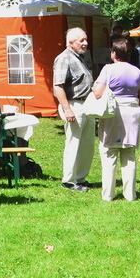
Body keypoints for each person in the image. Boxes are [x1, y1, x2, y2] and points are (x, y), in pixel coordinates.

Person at [92, 39, 140, 202]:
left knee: (109, 153)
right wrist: (137, 107)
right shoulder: (137, 71)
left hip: (113, 112)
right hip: (132, 112)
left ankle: (108, 195)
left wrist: (95, 86)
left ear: (114, 53)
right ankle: (130, 194)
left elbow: (98, 92)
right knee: (129, 154)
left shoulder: (108, 69)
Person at [53, 27, 95, 192]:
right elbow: (58, 86)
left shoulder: (80, 57)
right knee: (74, 143)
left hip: (87, 104)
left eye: (86, 39)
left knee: (87, 145)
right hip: (74, 105)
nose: (85, 43)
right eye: (81, 40)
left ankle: (81, 178)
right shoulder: (64, 58)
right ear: (71, 42)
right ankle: (69, 181)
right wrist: (67, 109)